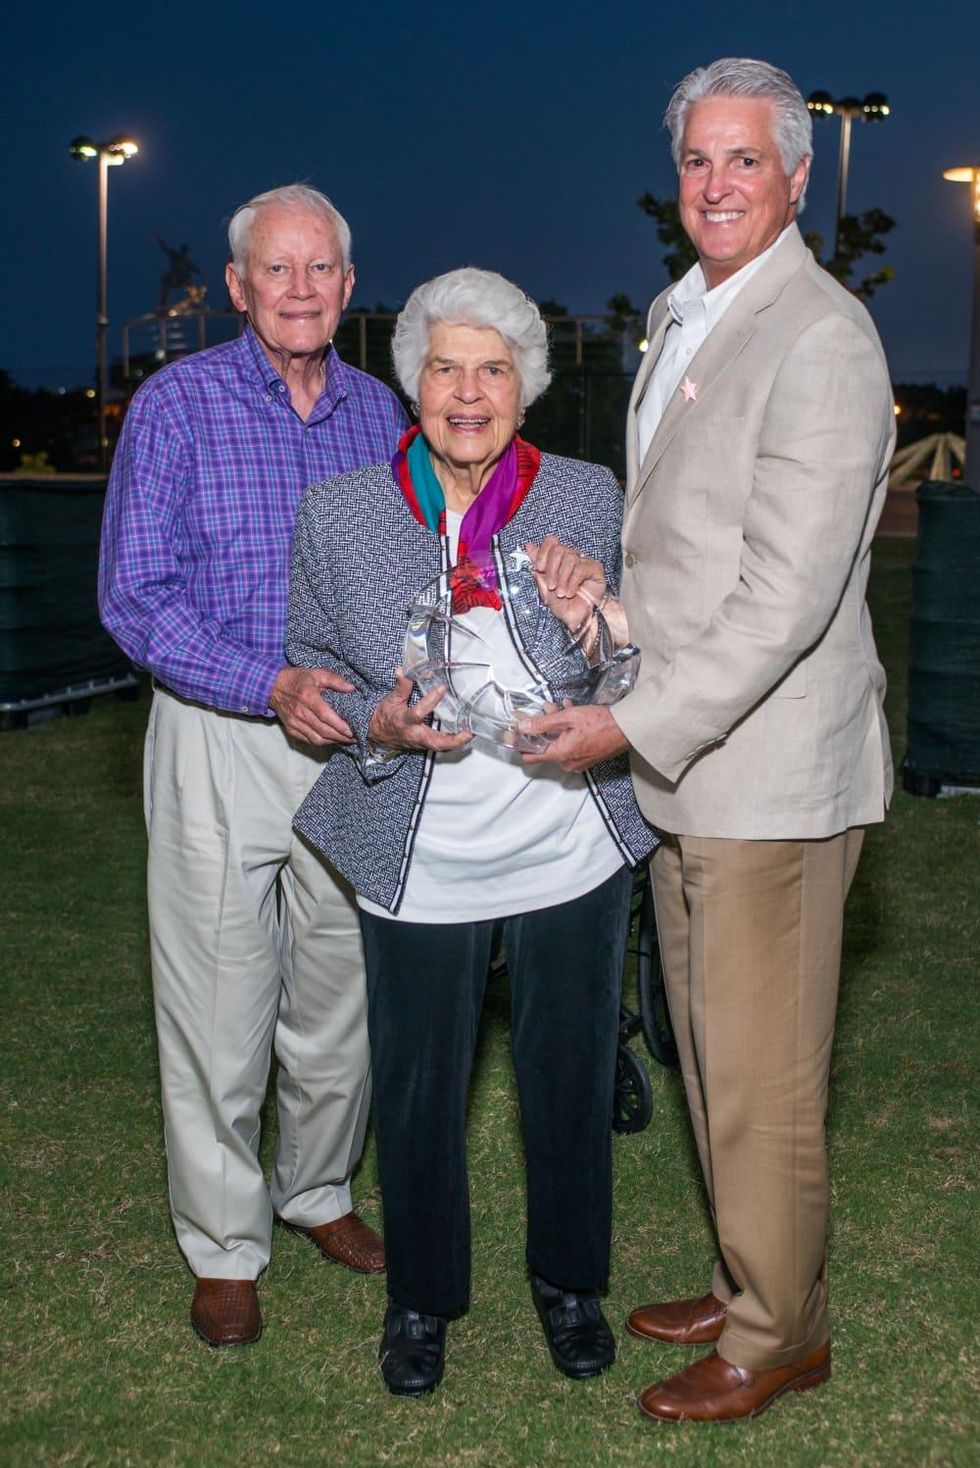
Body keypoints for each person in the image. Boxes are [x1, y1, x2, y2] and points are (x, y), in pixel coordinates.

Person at [518, 59, 895, 1423]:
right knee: (714, 1055)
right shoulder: (694, 313)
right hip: (697, 764)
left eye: (747, 161)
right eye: (699, 163)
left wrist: (628, 717)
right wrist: (607, 613)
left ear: (798, 176)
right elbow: (698, 573)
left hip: (770, 780)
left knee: (763, 1072)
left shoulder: (821, 333)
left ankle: (779, 1332)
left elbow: (788, 599)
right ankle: (756, 1276)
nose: (719, 184)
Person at [285, 267, 656, 1396]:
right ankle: (421, 1299)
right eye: (445, 367)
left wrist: (596, 622)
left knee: (566, 1070)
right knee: (415, 1082)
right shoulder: (343, 510)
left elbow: (634, 664)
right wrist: (376, 719)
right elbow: (313, 675)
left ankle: (569, 1283)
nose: (467, 391)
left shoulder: (586, 493)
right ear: (413, 383)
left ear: (524, 388)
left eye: (492, 369)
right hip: (419, 847)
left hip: (566, 840)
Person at [99, 184, 408, 1347]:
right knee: (220, 1000)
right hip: (219, 729)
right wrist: (262, 682)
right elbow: (135, 594)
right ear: (235, 287)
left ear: (346, 282)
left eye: (319, 268)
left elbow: (413, 570)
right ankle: (226, 1244)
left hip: (349, 738)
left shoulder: (380, 411)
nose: (297, 289)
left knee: (341, 992)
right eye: (274, 270)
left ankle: (317, 1189)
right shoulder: (175, 406)